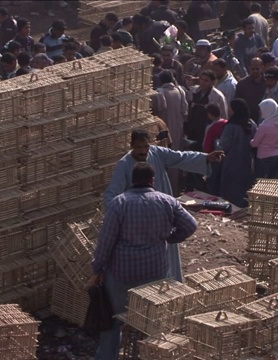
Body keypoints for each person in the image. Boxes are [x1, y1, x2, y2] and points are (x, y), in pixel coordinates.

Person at [92, 162, 197, 360]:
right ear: (152, 180)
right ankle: (148, 354)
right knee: (151, 322)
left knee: (113, 320)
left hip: (122, 273)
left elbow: (106, 241)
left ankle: (107, 356)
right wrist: (170, 237)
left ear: (132, 180)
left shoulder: (119, 203)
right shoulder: (166, 201)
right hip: (155, 274)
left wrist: (98, 268)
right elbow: (191, 225)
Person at [104, 130, 224, 284]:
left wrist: (206, 157)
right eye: (138, 147)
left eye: (145, 147)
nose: (142, 151)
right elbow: (111, 193)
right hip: (139, 222)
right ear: (131, 146)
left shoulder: (157, 153)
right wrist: (117, 221)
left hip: (161, 217)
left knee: (167, 257)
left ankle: (169, 286)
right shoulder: (124, 165)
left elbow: (180, 157)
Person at [152, 70, 188, 195]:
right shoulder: (180, 91)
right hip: (178, 129)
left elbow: (155, 110)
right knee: (175, 158)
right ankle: (175, 189)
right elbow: (185, 111)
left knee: (162, 159)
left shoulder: (159, 93)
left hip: (163, 131)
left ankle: (164, 190)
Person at [219, 99, 257, 207]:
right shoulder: (251, 123)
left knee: (230, 189)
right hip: (247, 161)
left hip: (232, 161)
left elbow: (223, 145)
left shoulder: (231, 126)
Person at [187, 70, 228, 148]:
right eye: (201, 79)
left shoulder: (218, 96)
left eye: (206, 80)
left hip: (208, 130)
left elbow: (223, 116)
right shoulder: (193, 91)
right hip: (193, 128)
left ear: (213, 82)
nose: (202, 82)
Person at [251, 99, 278, 179]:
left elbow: (254, 143)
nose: (260, 112)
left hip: (263, 157)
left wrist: (250, 142)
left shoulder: (264, 126)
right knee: (273, 181)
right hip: (276, 156)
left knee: (261, 182)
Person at [203, 103, 228, 195]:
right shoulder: (226, 123)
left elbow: (206, 144)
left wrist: (206, 155)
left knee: (212, 178)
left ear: (210, 114)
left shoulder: (211, 127)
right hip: (226, 156)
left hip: (213, 156)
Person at [234, 57, 265, 123]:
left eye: (257, 69)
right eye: (253, 69)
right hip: (247, 121)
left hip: (265, 120)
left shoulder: (268, 82)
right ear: (249, 68)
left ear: (262, 67)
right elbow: (237, 103)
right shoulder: (242, 84)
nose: (255, 71)